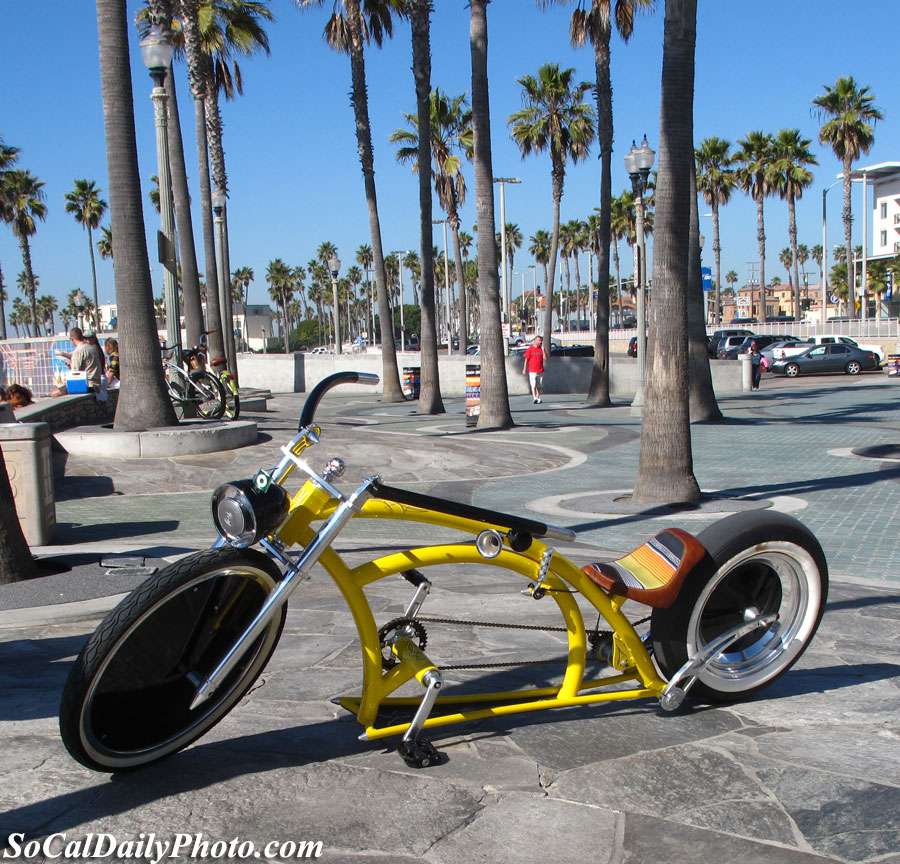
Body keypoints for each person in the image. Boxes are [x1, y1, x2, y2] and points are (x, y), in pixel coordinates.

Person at [52, 327, 104, 395]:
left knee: (54, 393)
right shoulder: (93, 349)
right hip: (97, 385)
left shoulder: (78, 351)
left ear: (72, 339)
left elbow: (74, 375)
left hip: (87, 385)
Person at [522, 335, 548, 404]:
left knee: (539, 385)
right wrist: (524, 368)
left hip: (540, 370)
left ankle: (537, 397)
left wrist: (543, 349)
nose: (540, 342)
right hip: (532, 370)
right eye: (539, 340)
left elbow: (545, 358)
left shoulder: (541, 349)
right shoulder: (530, 349)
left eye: (541, 341)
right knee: (533, 384)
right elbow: (526, 359)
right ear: (535, 341)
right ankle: (534, 397)